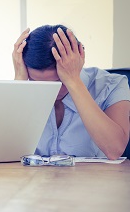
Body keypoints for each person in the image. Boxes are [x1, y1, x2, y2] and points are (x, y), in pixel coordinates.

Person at [13, 25, 130, 159]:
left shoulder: (112, 85)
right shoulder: (24, 85)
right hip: (34, 179)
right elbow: (2, 151)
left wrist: (73, 81)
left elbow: (114, 150)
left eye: (59, 82)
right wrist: (20, 83)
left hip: (92, 178)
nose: (53, 92)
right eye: (37, 82)